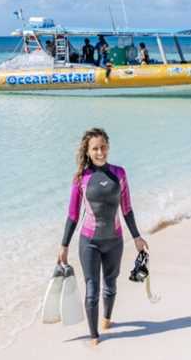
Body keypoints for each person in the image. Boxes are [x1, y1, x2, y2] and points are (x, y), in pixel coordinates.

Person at [59, 128, 147, 346]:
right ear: (88, 152)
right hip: (89, 241)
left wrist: (136, 236)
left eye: (103, 147)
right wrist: (64, 245)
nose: (100, 152)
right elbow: (72, 214)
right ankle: (94, 335)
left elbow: (127, 209)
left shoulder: (120, 173)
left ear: (108, 147)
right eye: (95, 149)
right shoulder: (81, 178)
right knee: (92, 290)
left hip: (114, 240)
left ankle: (107, 318)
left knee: (111, 285)